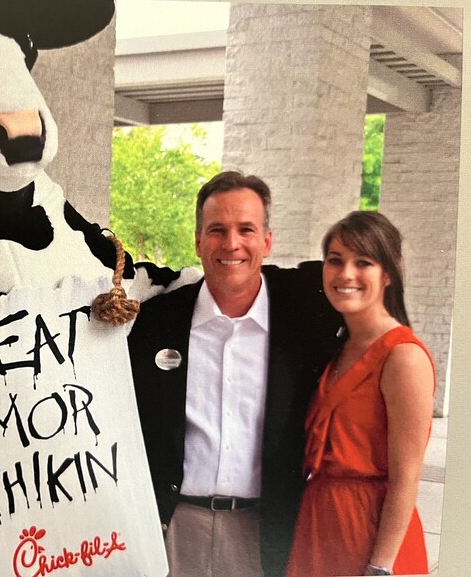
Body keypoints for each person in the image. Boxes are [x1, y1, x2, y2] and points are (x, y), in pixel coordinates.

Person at [128, 170, 343, 577]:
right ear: (197, 240)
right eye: (216, 230)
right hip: (172, 529)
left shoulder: (302, 325)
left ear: (267, 241)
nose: (231, 244)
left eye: (246, 229)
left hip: (264, 533)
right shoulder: (155, 322)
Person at [286, 211, 433, 577]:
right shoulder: (339, 346)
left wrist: (380, 567)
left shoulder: (403, 356)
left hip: (369, 531)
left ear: (387, 274)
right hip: (319, 524)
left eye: (362, 262)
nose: (345, 274)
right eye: (335, 261)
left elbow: (406, 478)